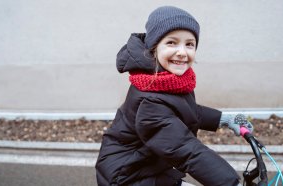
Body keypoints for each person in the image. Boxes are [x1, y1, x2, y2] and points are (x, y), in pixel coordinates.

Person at [96, 6, 253, 186]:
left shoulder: (167, 80)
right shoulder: (150, 98)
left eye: (189, 44)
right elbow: (183, 148)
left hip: (144, 165)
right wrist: (230, 182)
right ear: (154, 48)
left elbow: (185, 110)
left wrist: (224, 119)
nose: (182, 52)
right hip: (126, 177)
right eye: (172, 42)